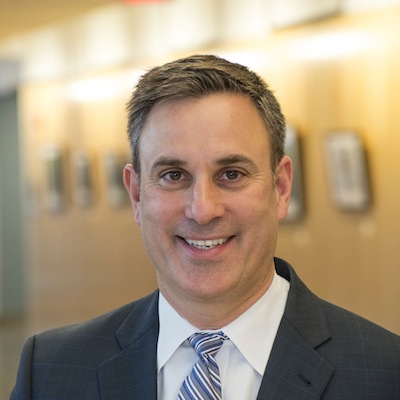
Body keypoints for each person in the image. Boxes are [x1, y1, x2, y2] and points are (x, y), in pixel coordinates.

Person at [10, 54, 400, 400]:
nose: (202, 210)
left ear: (281, 188)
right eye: (173, 175)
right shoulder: (50, 372)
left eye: (231, 174)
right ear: (137, 195)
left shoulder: (386, 374)